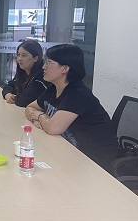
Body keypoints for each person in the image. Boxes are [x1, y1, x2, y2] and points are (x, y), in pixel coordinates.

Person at [25, 44, 118, 172]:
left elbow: (53, 128)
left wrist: (40, 116)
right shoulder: (54, 88)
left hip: (93, 159)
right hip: (68, 148)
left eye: (49, 62)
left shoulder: (77, 94)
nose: (43, 67)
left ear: (64, 68)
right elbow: (29, 107)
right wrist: (37, 119)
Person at [2, 40, 49, 107]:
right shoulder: (24, 71)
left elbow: (24, 100)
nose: (19, 59)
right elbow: (9, 85)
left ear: (35, 58)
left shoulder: (41, 77)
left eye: (24, 55)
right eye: (18, 55)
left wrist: (14, 98)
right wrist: (7, 94)